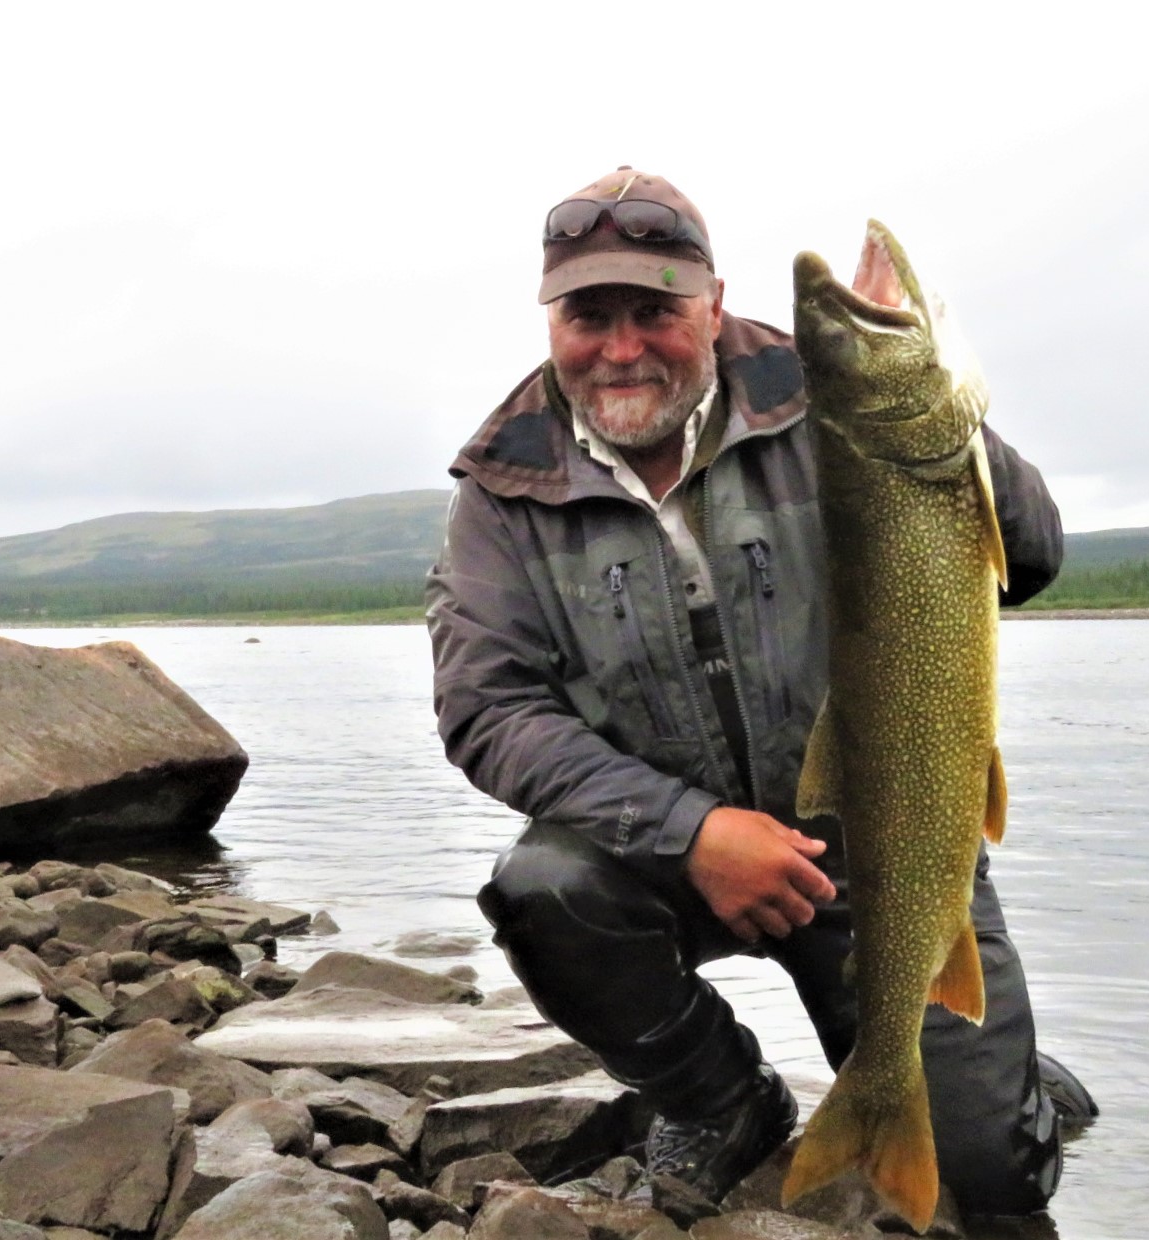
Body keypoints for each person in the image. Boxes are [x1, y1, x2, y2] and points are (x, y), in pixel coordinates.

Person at [425, 167, 1095, 1215]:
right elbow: (488, 711)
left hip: (879, 842)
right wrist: (691, 831)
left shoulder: (830, 389)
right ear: (551, 319)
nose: (622, 345)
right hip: (662, 858)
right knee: (542, 890)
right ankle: (723, 1098)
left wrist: (952, 420)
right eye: (589, 315)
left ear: (714, 302)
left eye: (655, 311)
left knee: (985, 1178)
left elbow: (1036, 555)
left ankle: (1004, 1094)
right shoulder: (504, 488)